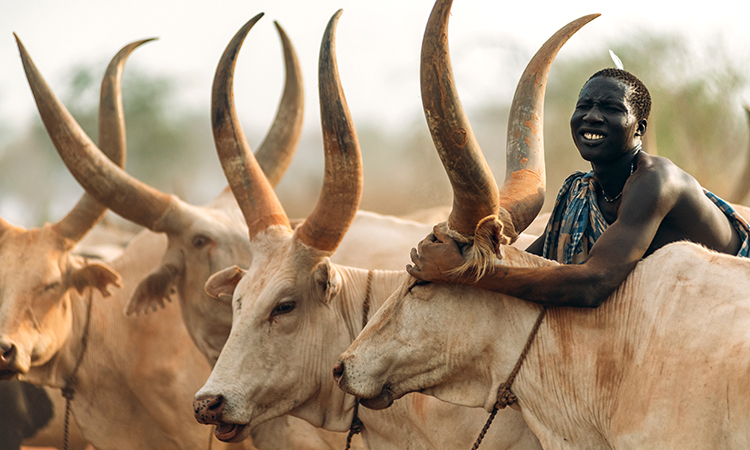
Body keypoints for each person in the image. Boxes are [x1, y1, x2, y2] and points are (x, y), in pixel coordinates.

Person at [407, 68, 750, 308]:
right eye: (584, 106)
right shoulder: (580, 190)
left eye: (611, 109)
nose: (592, 116)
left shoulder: (656, 181)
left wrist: (465, 272)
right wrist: (473, 249)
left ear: (639, 127)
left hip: (732, 309)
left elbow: (593, 285)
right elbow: (538, 263)